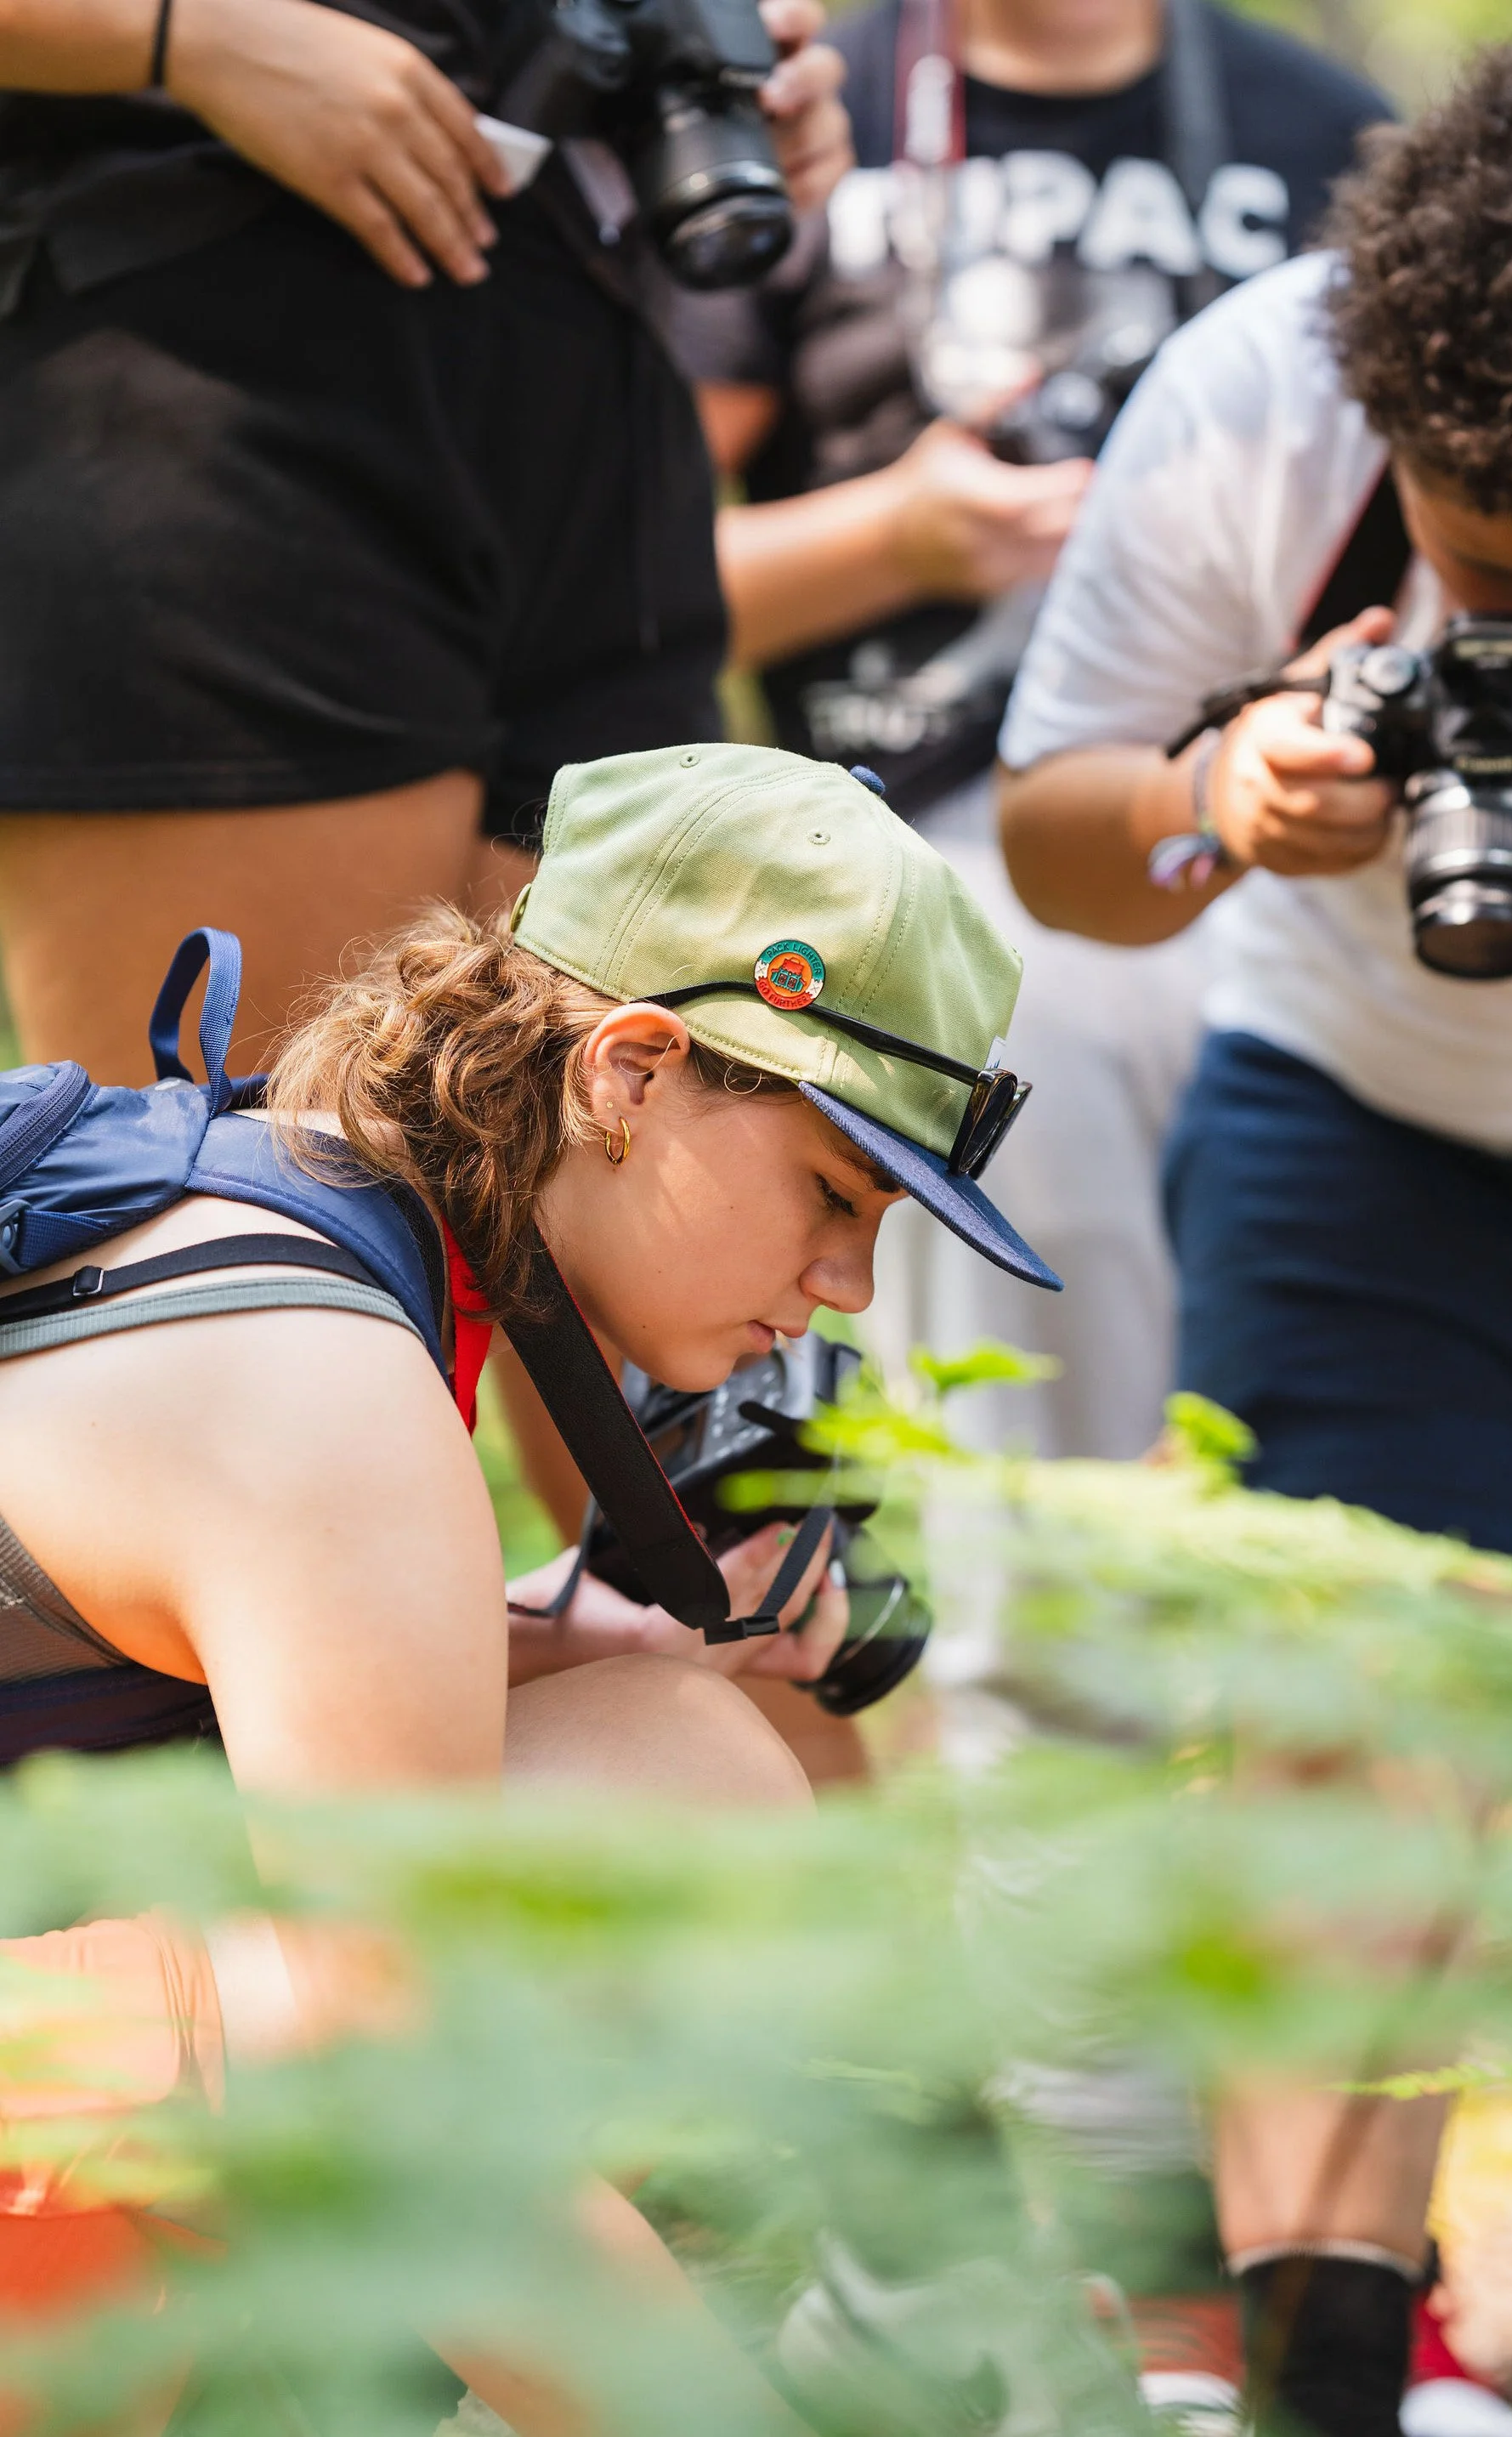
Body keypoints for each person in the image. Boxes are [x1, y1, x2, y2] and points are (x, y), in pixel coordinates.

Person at [998, 8, 1512, 2431]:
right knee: (1351, 1760)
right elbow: (1055, 841)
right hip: (1360, 1148)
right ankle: (1316, 2368)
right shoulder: (1251, 399)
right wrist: (1223, 793)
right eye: (1495, 570)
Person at [0, 741, 1062, 2427]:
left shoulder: (303, 1195)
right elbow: (415, 2119)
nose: (849, 1284)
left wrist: (564, 1631)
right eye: (832, 1194)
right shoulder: (324, 1374)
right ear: (631, 1071)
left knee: (676, 1758)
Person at [671, 0, 1388, 1457]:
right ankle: (1054, 1662)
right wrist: (900, 541)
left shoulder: (1322, 131)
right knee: (1027, 1042)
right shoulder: (793, 110)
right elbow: (601, 599)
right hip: (913, 823)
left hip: (1291, 811)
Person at [0, 0, 852, 1083]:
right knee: (240, 1202)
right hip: (212, 381)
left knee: (597, 1206)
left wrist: (725, 75)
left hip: (597, 406)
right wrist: (184, 34)